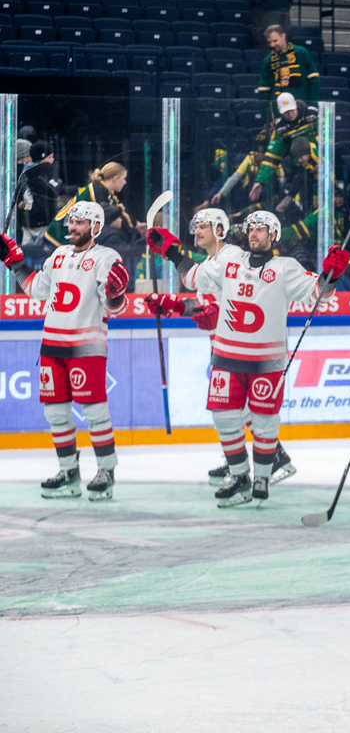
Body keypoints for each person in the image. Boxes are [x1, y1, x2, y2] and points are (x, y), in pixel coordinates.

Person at [148, 212, 348, 506]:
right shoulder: (230, 262)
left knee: (264, 421)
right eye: (251, 229)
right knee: (225, 418)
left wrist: (331, 276)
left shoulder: (285, 268)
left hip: (266, 361)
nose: (254, 233)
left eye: (261, 229)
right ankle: (239, 475)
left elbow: (318, 294)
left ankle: (262, 478)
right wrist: (174, 254)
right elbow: (194, 278)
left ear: (274, 235)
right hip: (227, 356)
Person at [152, 209, 297, 485]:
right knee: (234, 409)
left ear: (220, 229)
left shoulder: (231, 257)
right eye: (196, 226)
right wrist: (174, 306)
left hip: (239, 345)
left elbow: (237, 304)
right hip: (222, 344)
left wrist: (172, 253)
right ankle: (250, 461)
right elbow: (204, 299)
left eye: (203, 226)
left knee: (237, 408)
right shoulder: (213, 260)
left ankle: (261, 461)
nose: (197, 231)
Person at [0, 202, 129, 501]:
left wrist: (115, 294)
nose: (73, 228)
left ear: (95, 227)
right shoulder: (58, 256)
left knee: (95, 412)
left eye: (81, 223)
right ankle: (69, 473)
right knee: (56, 414)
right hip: (52, 346)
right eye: (72, 222)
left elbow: (116, 309)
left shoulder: (107, 258)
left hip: (86, 347)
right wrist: (14, 263)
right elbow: (36, 289)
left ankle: (106, 471)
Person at [249, 93, 318, 205]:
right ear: (279, 111)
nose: (290, 114)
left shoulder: (313, 114)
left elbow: (326, 139)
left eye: (291, 110)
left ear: (295, 104)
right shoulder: (280, 129)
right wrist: (260, 181)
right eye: (286, 112)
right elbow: (271, 157)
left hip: (322, 163)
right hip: (301, 168)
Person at [257, 25, 321, 116]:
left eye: (275, 41)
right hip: (279, 113)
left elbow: (314, 81)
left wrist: (313, 106)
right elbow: (264, 90)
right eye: (269, 42)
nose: (272, 45)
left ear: (283, 36)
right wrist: (267, 117)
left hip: (303, 109)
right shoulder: (268, 60)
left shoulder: (301, 53)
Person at [15, 140, 57, 252]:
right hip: (34, 223)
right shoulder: (31, 174)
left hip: (30, 223)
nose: (52, 160)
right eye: (50, 157)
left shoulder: (38, 174)